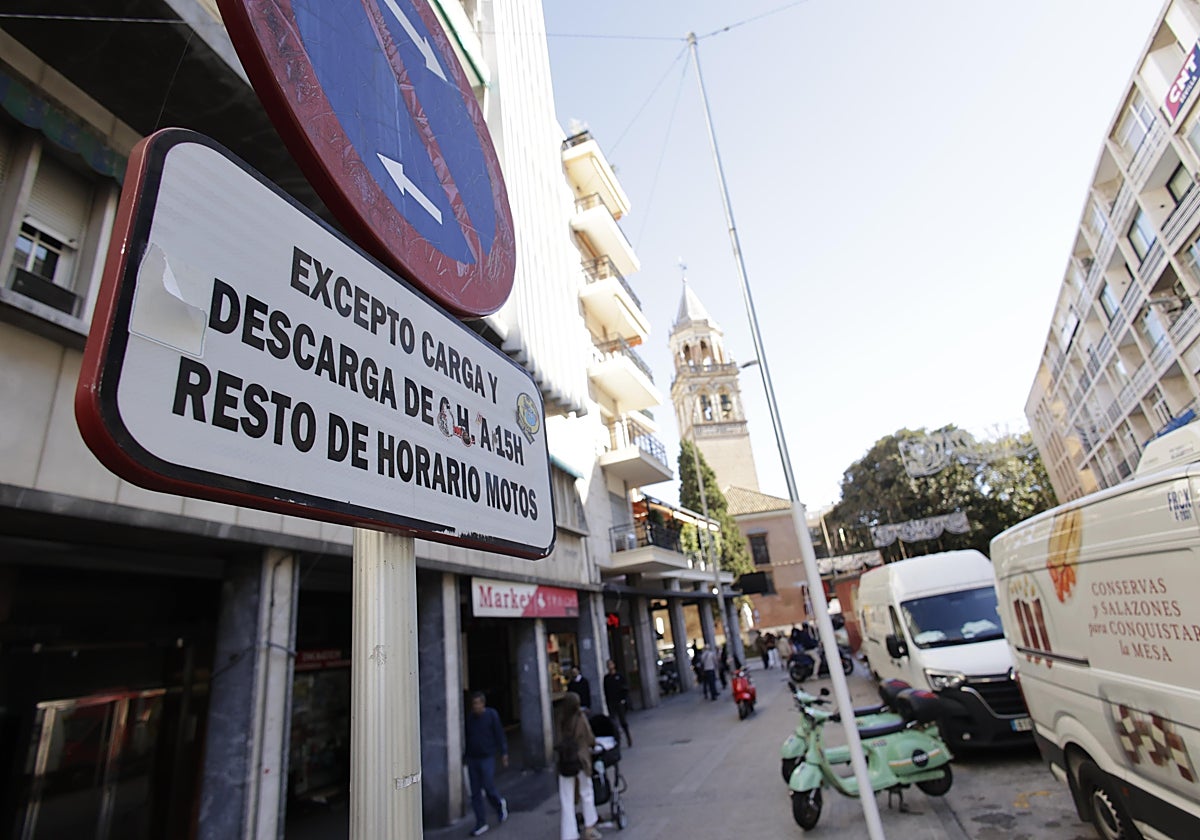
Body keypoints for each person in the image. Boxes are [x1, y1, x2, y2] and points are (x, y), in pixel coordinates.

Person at [555, 692, 602, 840]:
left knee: (567, 798)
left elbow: (557, 739)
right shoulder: (580, 718)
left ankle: (568, 834)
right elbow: (589, 737)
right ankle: (589, 828)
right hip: (581, 760)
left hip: (565, 760)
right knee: (586, 792)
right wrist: (594, 744)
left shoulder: (560, 719)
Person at [464, 691, 508, 837]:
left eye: (477, 703)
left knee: (488, 786)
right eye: (473, 704)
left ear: (483, 703)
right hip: (472, 758)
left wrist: (504, 753)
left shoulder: (491, 715)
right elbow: (467, 736)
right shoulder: (470, 719)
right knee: (475, 792)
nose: (475, 707)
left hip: (487, 756)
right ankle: (481, 822)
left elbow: (499, 734)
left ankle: (499, 805)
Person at [602, 659, 632, 747]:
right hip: (611, 702)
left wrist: (623, 699)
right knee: (613, 722)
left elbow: (625, 688)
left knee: (623, 721)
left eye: (611, 664)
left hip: (619, 702)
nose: (610, 666)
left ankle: (628, 737)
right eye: (608, 665)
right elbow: (606, 691)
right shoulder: (606, 678)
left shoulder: (619, 676)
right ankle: (617, 739)